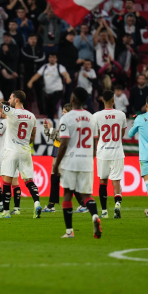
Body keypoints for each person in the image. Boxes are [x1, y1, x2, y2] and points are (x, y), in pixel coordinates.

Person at [0, 72, 42, 219]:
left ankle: (6, 212)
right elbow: (32, 136)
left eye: (11, 98)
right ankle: (37, 203)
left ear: (17, 99)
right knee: (28, 181)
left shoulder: (12, 113)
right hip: (26, 151)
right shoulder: (32, 116)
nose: (9, 100)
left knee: (6, 182)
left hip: (11, 151)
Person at [53, 87, 102, 239]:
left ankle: (69, 231)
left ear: (72, 99)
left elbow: (64, 143)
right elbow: (95, 141)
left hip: (71, 161)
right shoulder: (92, 118)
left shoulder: (66, 118)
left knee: (67, 193)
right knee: (87, 195)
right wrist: (91, 158)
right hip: (86, 160)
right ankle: (94, 216)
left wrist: (56, 165)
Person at [42, 104, 88, 213]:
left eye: (64, 111)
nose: (62, 113)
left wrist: (50, 129)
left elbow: (61, 137)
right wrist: (47, 128)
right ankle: (51, 205)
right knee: (57, 179)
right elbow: (55, 135)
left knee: (63, 180)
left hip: (63, 155)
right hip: (58, 152)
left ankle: (82, 204)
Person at [94, 91, 127, 219]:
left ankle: (104, 211)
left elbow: (95, 135)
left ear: (102, 100)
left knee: (103, 180)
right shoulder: (121, 115)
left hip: (103, 152)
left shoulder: (96, 116)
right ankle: (117, 204)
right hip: (117, 152)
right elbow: (122, 134)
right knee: (116, 181)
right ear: (114, 100)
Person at [26, 52, 71, 119]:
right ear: (48, 58)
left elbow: (65, 73)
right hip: (47, 93)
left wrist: (68, 78)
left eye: (54, 57)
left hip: (57, 91)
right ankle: (51, 123)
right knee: (48, 109)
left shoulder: (60, 67)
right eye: (50, 57)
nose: (52, 59)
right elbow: (37, 75)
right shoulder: (45, 67)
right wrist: (30, 81)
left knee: (56, 107)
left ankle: (61, 120)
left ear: (56, 59)